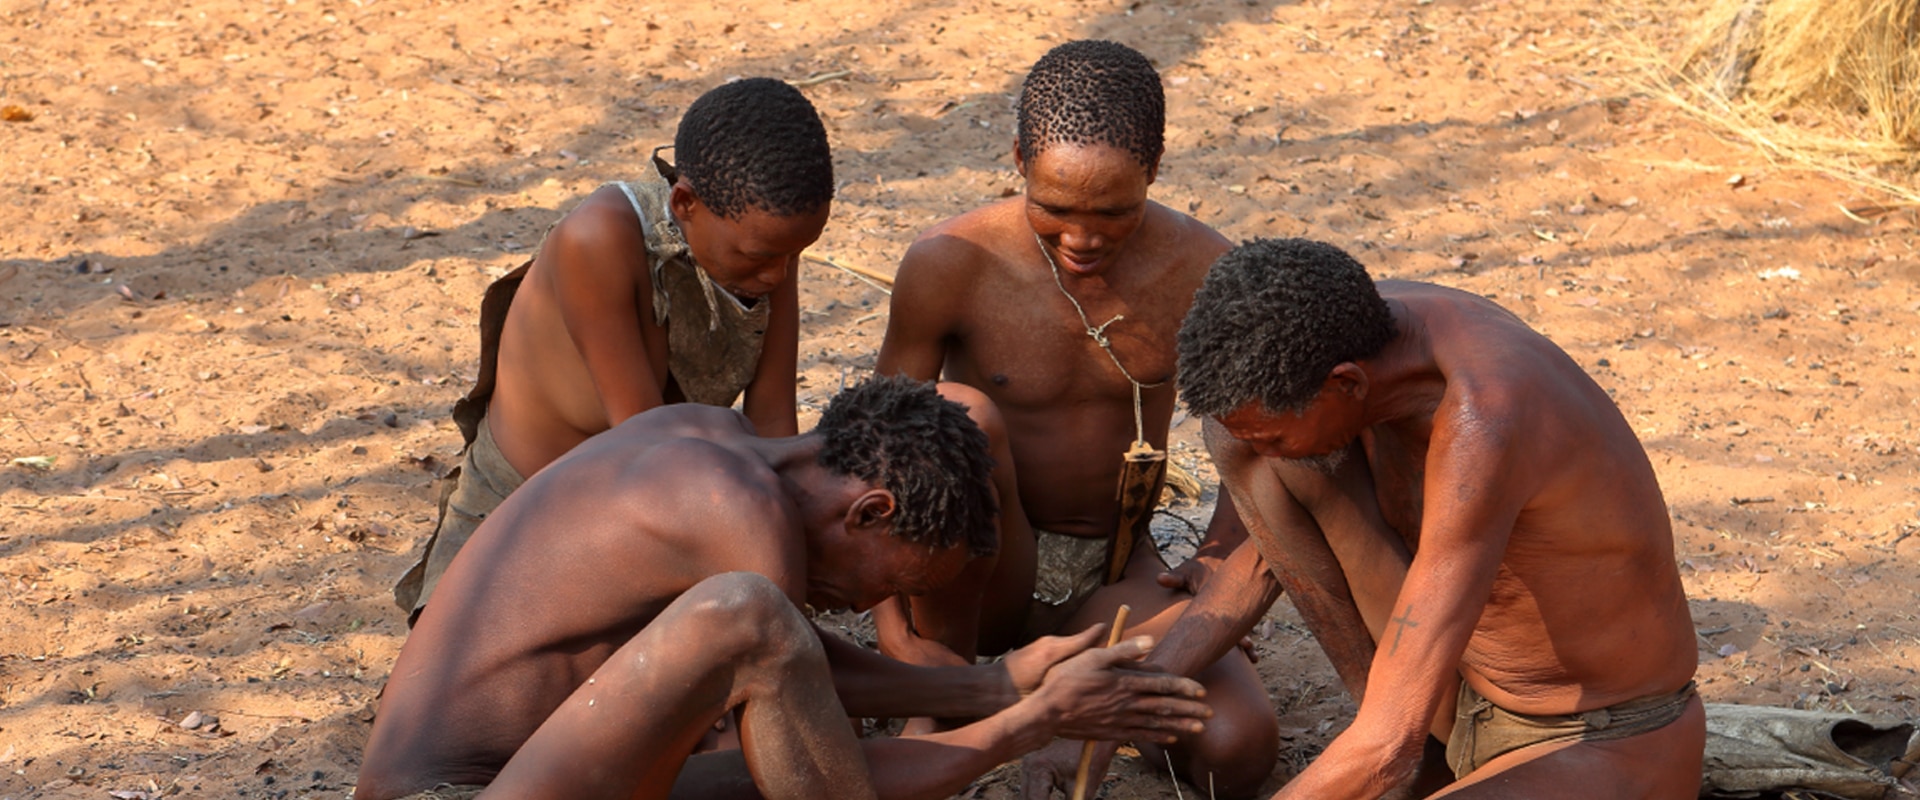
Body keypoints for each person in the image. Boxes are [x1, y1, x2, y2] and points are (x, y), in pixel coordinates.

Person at [354, 376, 1215, 800]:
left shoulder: (705, 439)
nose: (859, 608)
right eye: (894, 587)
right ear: (871, 511)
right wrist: (1024, 718)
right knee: (755, 621)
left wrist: (1001, 684)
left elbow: (806, 714)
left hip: (531, 775)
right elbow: (802, 699)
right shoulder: (736, 517)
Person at [1144, 237, 1704, 798]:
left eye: (1275, 437)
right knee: (1241, 441)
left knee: (1381, 753)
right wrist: (1141, 691)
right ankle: (1417, 754)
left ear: (1346, 384)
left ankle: (1402, 759)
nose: (1267, 451)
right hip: (1457, 700)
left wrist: (1382, 747)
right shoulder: (1343, 332)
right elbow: (1273, 553)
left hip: (1597, 735)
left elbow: (1386, 748)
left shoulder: (1486, 417)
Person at [873, 40, 1279, 798]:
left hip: (1114, 573)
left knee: (1238, 748)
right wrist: (896, 629)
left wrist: (1219, 563)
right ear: (1021, 158)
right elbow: (874, 449)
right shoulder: (950, 262)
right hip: (977, 577)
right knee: (962, 417)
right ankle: (948, 690)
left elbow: (1257, 440)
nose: (1083, 238)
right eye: (1055, 208)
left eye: (1114, 213)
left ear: (1154, 170)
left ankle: (1070, 693)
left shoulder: (1205, 271)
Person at [393, 77, 831, 623]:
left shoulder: (763, 245)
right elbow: (644, 448)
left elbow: (773, 424)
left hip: (663, 499)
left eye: (796, 254)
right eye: (763, 256)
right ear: (684, 202)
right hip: (523, 523)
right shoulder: (598, 241)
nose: (780, 273)